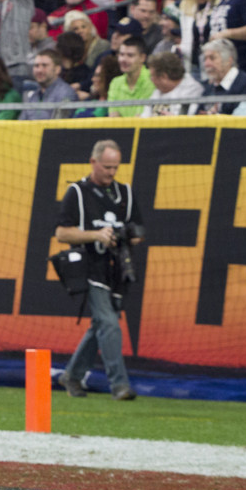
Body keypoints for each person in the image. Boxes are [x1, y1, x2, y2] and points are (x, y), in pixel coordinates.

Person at [55, 139, 142, 401]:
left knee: (100, 326)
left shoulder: (124, 193)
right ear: (93, 162)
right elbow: (61, 233)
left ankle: (72, 375)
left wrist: (124, 234)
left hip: (117, 269)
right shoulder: (77, 192)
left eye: (115, 167)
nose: (112, 173)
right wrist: (97, 235)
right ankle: (119, 385)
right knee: (109, 323)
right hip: (87, 266)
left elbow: (138, 232)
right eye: (107, 167)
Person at [198, 37, 246, 113]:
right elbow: (197, 114)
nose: (206, 64)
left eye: (212, 58)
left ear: (229, 60)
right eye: (205, 59)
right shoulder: (209, 86)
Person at [19, 49, 78, 119]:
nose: (39, 70)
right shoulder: (33, 96)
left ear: (57, 69)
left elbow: (58, 126)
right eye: (36, 66)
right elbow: (21, 123)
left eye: (44, 65)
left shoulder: (66, 93)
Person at [143, 51, 203, 116]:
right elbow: (145, 115)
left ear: (163, 77)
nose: (151, 80)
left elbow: (190, 120)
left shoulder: (192, 90)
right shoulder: (158, 91)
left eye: (152, 76)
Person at [107, 36, 154, 116]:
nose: (123, 60)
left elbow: (142, 118)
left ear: (142, 58)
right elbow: (114, 118)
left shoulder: (152, 79)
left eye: (130, 55)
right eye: (121, 54)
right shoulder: (115, 82)